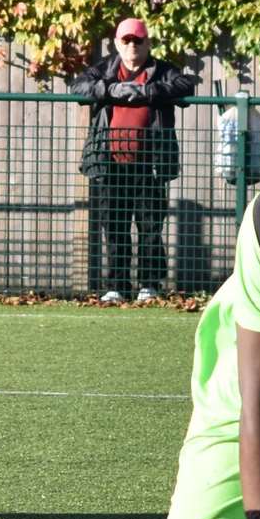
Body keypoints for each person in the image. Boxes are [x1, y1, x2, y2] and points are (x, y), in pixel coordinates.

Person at [70, 18, 199, 304]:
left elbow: (186, 84)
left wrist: (150, 92)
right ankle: (116, 286)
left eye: (138, 40)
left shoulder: (162, 70)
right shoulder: (104, 69)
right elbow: (78, 87)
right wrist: (109, 90)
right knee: (114, 226)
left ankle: (149, 285)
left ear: (147, 43)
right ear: (117, 43)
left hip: (150, 165)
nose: (132, 46)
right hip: (109, 164)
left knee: (150, 227)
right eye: (126, 40)